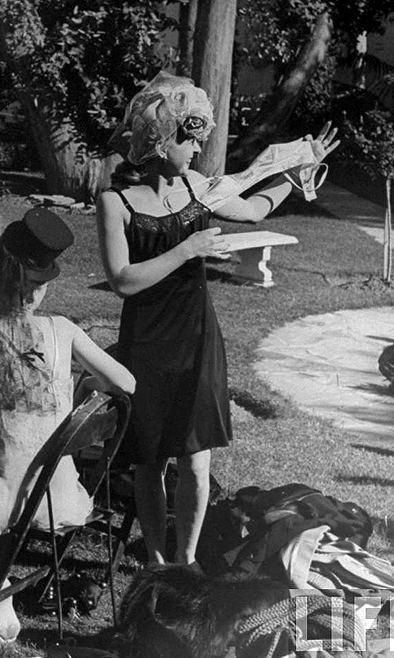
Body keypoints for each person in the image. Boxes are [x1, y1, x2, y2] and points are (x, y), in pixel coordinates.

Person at [96, 72, 340, 570]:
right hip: (146, 341)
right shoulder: (114, 202)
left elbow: (252, 210)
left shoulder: (197, 188)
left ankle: (185, 562)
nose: (197, 148)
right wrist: (188, 249)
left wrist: (295, 173)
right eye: (189, 139)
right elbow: (122, 280)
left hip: (196, 336)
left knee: (196, 458)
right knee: (148, 461)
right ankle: (157, 561)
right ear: (159, 140)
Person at [0, 208, 136, 643]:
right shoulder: (62, 331)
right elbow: (126, 383)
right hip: (56, 496)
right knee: (5, 455)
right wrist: (86, 385)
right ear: (41, 287)